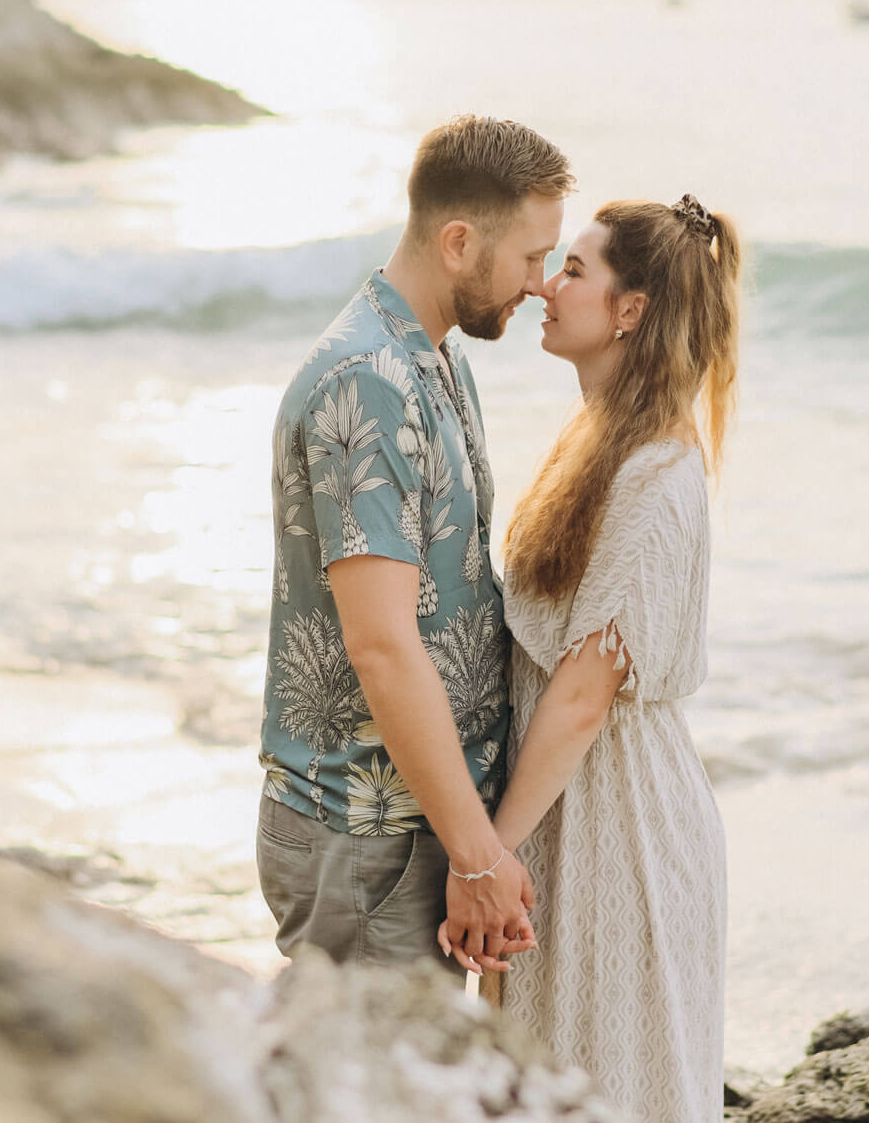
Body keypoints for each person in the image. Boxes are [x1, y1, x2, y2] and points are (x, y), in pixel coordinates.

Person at [440, 193, 741, 1123]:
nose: (546, 288)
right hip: (569, 811)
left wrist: (486, 858)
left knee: (611, 1085)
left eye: (574, 270)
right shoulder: (600, 445)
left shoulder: (655, 472)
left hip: (621, 830)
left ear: (630, 310)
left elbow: (580, 696)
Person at [257, 114, 574, 972]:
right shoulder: (370, 380)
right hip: (368, 836)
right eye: (532, 257)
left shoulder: (433, 358)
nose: (540, 284)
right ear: (459, 242)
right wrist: (477, 858)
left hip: (414, 824)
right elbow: (383, 645)